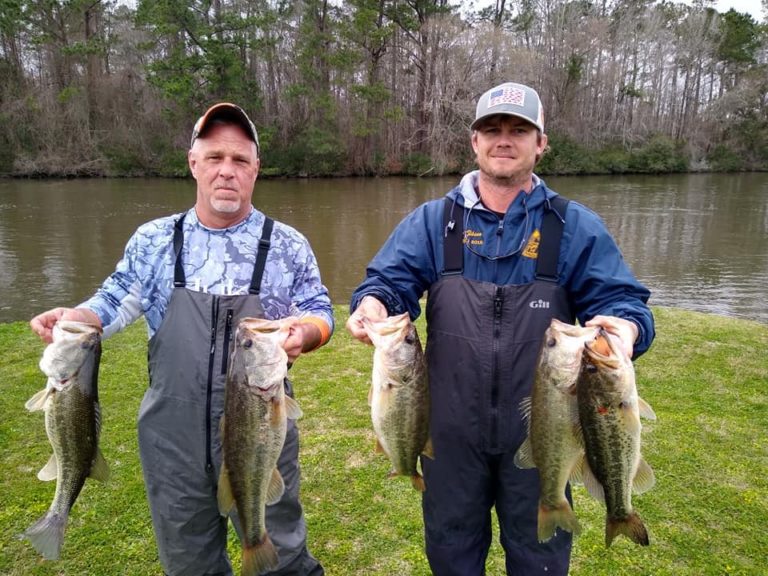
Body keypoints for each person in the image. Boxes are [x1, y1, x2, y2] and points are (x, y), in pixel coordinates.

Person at [346, 82, 655, 575]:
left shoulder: (574, 226)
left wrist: (626, 329)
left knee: (539, 559)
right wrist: (373, 305)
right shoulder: (433, 223)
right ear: (475, 142)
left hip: (544, 432)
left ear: (541, 142)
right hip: (448, 436)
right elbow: (388, 282)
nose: (504, 140)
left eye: (519, 129)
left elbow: (621, 301)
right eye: (492, 129)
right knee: (451, 556)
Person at [30, 103, 333, 576]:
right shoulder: (153, 240)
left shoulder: (287, 244)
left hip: (259, 424)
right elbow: (112, 301)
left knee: (282, 553)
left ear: (256, 169)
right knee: (188, 558)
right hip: (171, 435)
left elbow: (319, 310)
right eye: (214, 158)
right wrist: (75, 318)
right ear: (193, 164)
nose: (226, 171)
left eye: (239, 160)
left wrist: (306, 333)